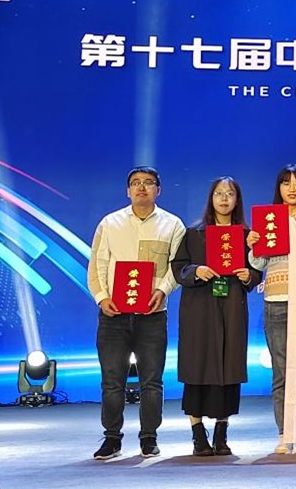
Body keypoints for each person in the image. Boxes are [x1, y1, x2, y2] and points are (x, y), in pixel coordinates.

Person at [87, 166, 185, 460]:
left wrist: (162, 291)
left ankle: (149, 437)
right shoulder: (110, 223)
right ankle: (112, 438)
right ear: (128, 190)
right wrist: (102, 298)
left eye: (148, 183)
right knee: (112, 381)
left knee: (151, 381)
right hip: (113, 315)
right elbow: (97, 266)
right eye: (136, 183)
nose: (142, 187)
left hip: (152, 315)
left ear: (158, 190)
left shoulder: (173, 225)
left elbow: (176, 267)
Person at [171, 177, 262, 456]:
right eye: (219, 193)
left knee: (228, 367)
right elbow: (178, 267)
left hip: (231, 306)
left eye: (230, 194)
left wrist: (250, 275)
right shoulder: (194, 233)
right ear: (211, 198)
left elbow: (258, 269)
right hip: (199, 307)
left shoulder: (247, 235)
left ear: (237, 200)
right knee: (197, 366)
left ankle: (222, 433)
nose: (224, 199)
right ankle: (198, 434)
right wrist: (196, 270)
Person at [246, 164, 296, 455]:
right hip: (276, 302)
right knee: (281, 372)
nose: (292, 188)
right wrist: (253, 245)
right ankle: (285, 433)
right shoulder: (269, 221)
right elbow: (258, 264)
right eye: (286, 183)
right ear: (278, 188)